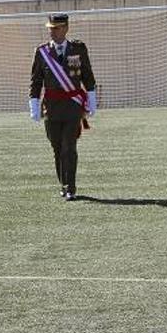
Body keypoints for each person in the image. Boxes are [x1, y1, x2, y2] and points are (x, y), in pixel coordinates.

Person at [28, 14, 97, 201]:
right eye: (50, 28)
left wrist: (91, 100)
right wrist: (34, 104)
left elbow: (88, 76)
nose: (53, 31)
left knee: (69, 147)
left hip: (72, 107)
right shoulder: (42, 52)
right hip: (51, 108)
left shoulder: (78, 49)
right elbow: (36, 81)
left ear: (66, 28)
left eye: (57, 28)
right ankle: (63, 183)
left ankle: (70, 187)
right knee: (57, 147)